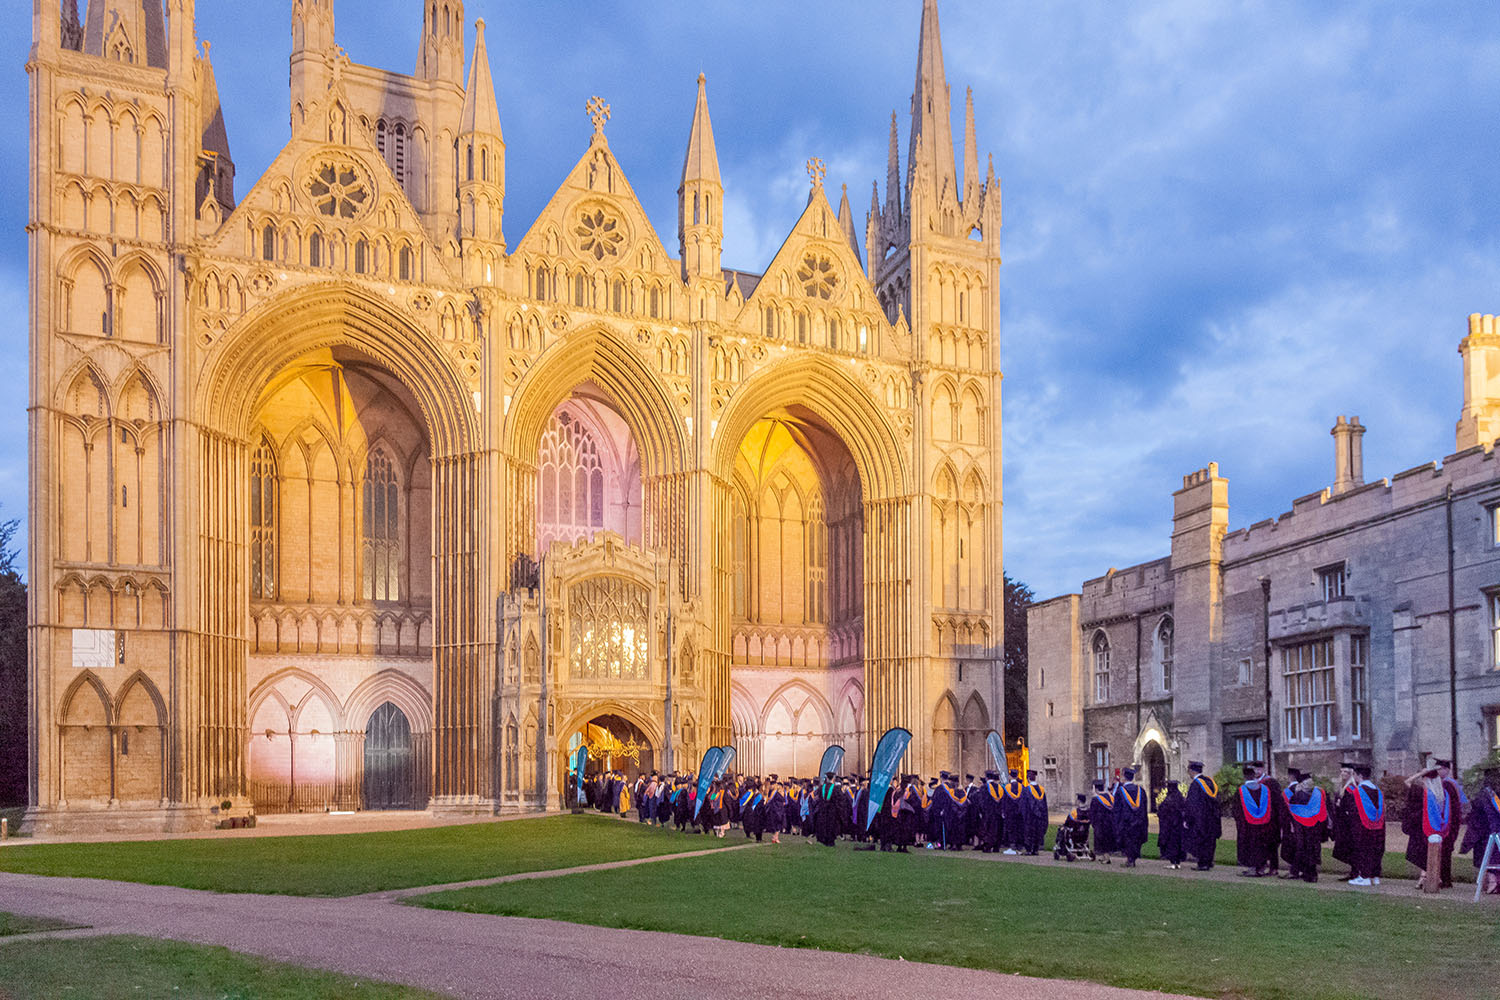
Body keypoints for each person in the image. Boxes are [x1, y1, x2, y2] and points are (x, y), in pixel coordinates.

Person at [1404, 759, 1461, 889]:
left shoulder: (1426, 794)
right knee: (1437, 854)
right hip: (1441, 829)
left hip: (1427, 829)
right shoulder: (1443, 794)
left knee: (1423, 854)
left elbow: (1407, 782)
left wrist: (1421, 773)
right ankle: (1433, 878)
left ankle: (1428, 878)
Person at [1460, 766, 1500, 894]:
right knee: (1491, 856)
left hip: (1487, 829)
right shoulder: (1488, 794)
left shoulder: (1487, 793)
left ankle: (1493, 883)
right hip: (1488, 831)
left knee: (1491, 857)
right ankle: (1492, 882)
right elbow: (1491, 813)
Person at [1284, 771, 1329, 883]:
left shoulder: (1296, 796)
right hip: (1315, 827)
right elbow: (1323, 814)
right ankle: (1312, 874)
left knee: (1302, 848)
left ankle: (1304, 873)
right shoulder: (1318, 794)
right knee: (1313, 849)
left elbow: (1292, 812)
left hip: (1301, 828)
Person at [1346, 764, 1386, 887]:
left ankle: (1364, 877)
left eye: (1355, 775)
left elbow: (1353, 812)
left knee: (1363, 850)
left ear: (1360, 776)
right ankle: (1375, 876)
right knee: (1376, 850)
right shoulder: (1378, 791)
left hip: (1362, 827)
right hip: (1378, 826)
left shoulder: (1358, 792)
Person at [1233, 763, 1276, 877]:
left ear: (1245, 777)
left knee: (1250, 844)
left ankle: (1252, 869)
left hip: (1247, 825)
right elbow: (1270, 807)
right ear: (1254, 776)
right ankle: (1261, 867)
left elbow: (1237, 810)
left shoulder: (1241, 791)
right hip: (1263, 824)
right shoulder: (1265, 790)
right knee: (1261, 845)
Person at [1184, 760, 1221, 871]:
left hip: (1200, 819)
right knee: (1210, 840)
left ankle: (1203, 863)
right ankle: (1209, 861)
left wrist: (1188, 819)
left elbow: (1192, 805)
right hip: (1213, 818)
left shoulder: (1196, 785)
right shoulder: (1211, 783)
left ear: (1192, 771)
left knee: (1201, 840)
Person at [1113, 766, 1148, 867]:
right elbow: (1144, 808)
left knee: (1127, 840)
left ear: (1124, 777)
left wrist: (1116, 823)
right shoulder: (1141, 791)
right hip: (1138, 822)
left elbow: (1117, 810)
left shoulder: (1120, 792)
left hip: (1126, 822)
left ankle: (1130, 860)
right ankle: (1132, 859)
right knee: (1135, 840)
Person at [1157, 779, 1187, 868]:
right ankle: (1177, 862)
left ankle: (1174, 862)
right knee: (1178, 843)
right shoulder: (1180, 797)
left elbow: (1163, 810)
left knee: (1172, 843)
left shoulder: (1170, 798)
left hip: (1170, 826)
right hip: (1178, 825)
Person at [1021, 769, 1049, 856]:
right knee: (1038, 831)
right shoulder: (1041, 790)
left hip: (1030, 817)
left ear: (1028, 778)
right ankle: (1036, 849)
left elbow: (1024, 805)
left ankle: (1029, 849)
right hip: (1040, 816)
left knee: (1029, 832)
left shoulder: (1026, 790)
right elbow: (1044, 805)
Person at [1089, 779, 1117, 863]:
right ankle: (1104, 857)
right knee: (1108, 840)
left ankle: (1107, 858)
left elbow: (1092, 813)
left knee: (1102, 841)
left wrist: (1093, 823)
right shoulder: (1111, 797)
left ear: (1095, 788)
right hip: (1110, 823)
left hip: (1100, 823)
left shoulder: (1095, 799)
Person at [813, 771, 844, 846]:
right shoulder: (836, 789)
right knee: (831, 825)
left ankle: (824, 839)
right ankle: (830, 841)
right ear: (833, 778)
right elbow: (840, 800)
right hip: (832, 811)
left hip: (822, 810)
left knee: (823, 824)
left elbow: (817, 798)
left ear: (826, 778)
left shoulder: (821, 788)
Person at [764, 778, 786, 845]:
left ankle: (775, 838)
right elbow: (769, 800)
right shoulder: (773, 792)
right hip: (776, 810)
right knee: (777, 824)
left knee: (778, 824)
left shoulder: (778, 791)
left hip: (779, 809)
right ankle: (775, 838)